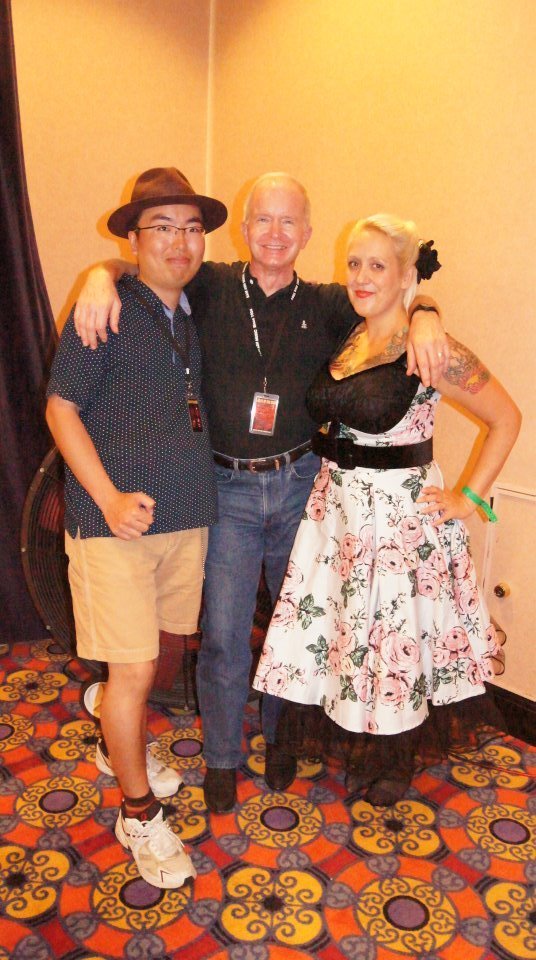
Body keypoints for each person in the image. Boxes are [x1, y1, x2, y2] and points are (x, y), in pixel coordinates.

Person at [73, 173, 448, 815]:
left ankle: (281, 741)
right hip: (226, 490)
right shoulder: (212, 285)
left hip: (304, 482)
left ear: (306, 233)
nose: (274, 234)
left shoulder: (331, 302)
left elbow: (390, 293)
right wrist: (98, 275)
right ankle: (220, 758)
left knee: (292, 631)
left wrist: (428, 315)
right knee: (222, 635)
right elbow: (144, 261)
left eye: (288, 222)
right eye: (261, 221)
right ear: (244, 231)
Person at [252, 213, 521, 807]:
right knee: (344, 630)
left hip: (400, 517)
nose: (361, 277)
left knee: (397, 635)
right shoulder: (350, 337)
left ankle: (394, 758)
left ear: (406, 276)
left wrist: (468, 499)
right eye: (354, 264)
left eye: (378, 265)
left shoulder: (433, 349)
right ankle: (343, 733)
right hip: (336, 512)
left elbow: (507, 419)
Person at [46, 167, 227, 886]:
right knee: (135, 670)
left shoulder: (198, 306)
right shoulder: (105, 307)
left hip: (187, 516)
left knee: (159, 653)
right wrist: (112, 497)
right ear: (134, 237)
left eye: (191, 228)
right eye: (162, 227)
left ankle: (110, 726)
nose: (179, 242)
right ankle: (138, 813)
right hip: (111, 523)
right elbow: (62, 408)